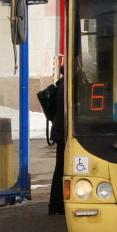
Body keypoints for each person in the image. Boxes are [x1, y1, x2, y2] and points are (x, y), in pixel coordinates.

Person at [36, 72, 66, 216]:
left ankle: (56, 204)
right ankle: (56, 205)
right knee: (61, 169)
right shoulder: (66, 86)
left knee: (61, 168)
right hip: (63, 133)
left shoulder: (61, 85)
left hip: (60, 131)